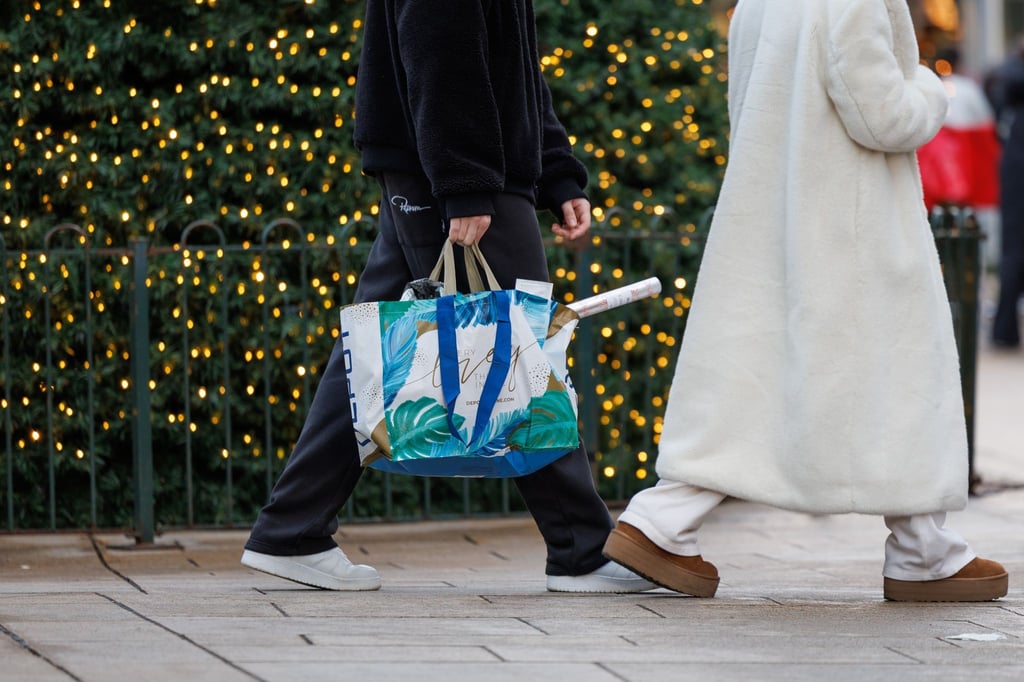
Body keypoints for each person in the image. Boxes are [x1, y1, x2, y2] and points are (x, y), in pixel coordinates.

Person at [239, 0, 654, 594]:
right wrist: (464, 182)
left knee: (372, 356)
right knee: (523, 352)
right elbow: (440, 43)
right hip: (455, 174)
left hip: (448, 170)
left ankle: (292, 529)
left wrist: (557, 170)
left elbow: (513, 64)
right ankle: (580, 550)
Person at [602, 0, 1008, 602]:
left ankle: (664, 518)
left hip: (772, 216)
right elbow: (886, 120)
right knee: (897, 376)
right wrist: (929, 87)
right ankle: (923, 553)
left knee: (753, 375)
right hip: (852, 224)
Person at [987, 39, 1024, 348]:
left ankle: (1004, 329)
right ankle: (1004, 328)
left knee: (1013, 250)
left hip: (1016, 168)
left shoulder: (1011, 75)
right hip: (1016, 167)